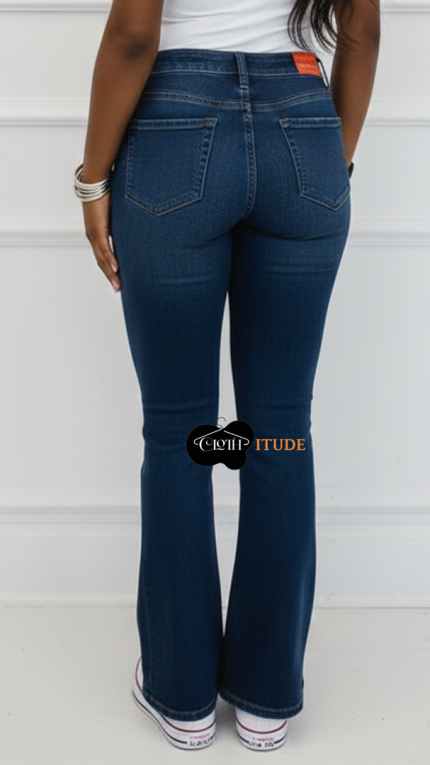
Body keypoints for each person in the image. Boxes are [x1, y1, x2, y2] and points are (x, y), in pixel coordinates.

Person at [74, 0, 380, 752]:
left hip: (175, 129)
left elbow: (135, 33)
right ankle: (267, 698)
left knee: (178, 429)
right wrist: (328, 159)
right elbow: (364, 29)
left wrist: (92, 181)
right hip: (304, 119)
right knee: (280, 429)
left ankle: (182, 695)